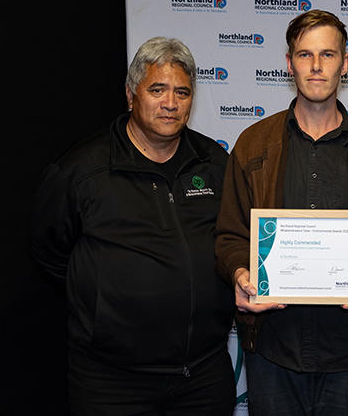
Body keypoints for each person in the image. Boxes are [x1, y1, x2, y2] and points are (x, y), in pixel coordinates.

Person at [214, 10, 348, 416]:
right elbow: (230, 236)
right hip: (275, 350)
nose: (315, 66)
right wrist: (241, 272)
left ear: (345, 63)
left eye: (327, 54)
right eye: (304, 54)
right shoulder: (252, 144)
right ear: (289, 62)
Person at [29, 37, 237, 414]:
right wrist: (104, 299)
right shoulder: (80, 172)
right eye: (157, 89)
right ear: (130, 95)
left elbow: (232, 240)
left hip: (203, 376)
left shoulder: (216, 163)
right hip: (111, 381)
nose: (170, 103)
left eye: (182, 92)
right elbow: (50, 249)